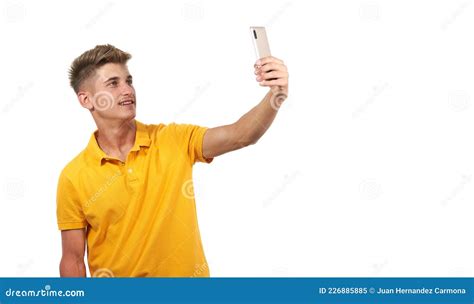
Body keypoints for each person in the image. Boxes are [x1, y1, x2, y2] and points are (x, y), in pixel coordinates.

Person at [57, 44, 289, 277]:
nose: (127, 90)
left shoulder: (173, 139)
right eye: (113, 83)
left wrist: (276, 94)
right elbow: (73, 260)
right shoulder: (74, 176)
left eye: (129, 81)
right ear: (86, 100)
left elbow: (242, 135)